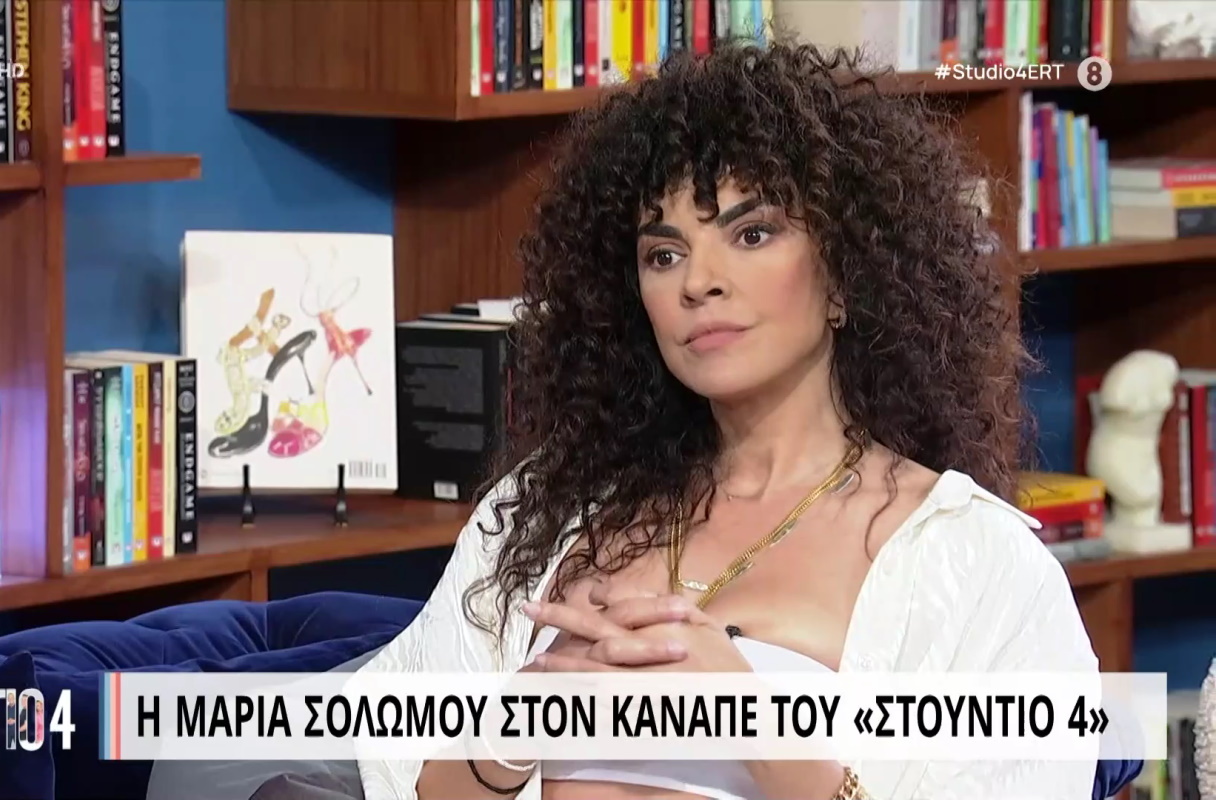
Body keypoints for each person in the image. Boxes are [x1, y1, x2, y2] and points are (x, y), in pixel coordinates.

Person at [355, 40, 1100, 800]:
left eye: (752, 234)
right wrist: (514, 732)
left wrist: (755, 726)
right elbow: (397, 777)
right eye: (663, 254)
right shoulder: (538, 513)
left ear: (845, 277)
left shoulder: (974, 561)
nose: (699, 282)